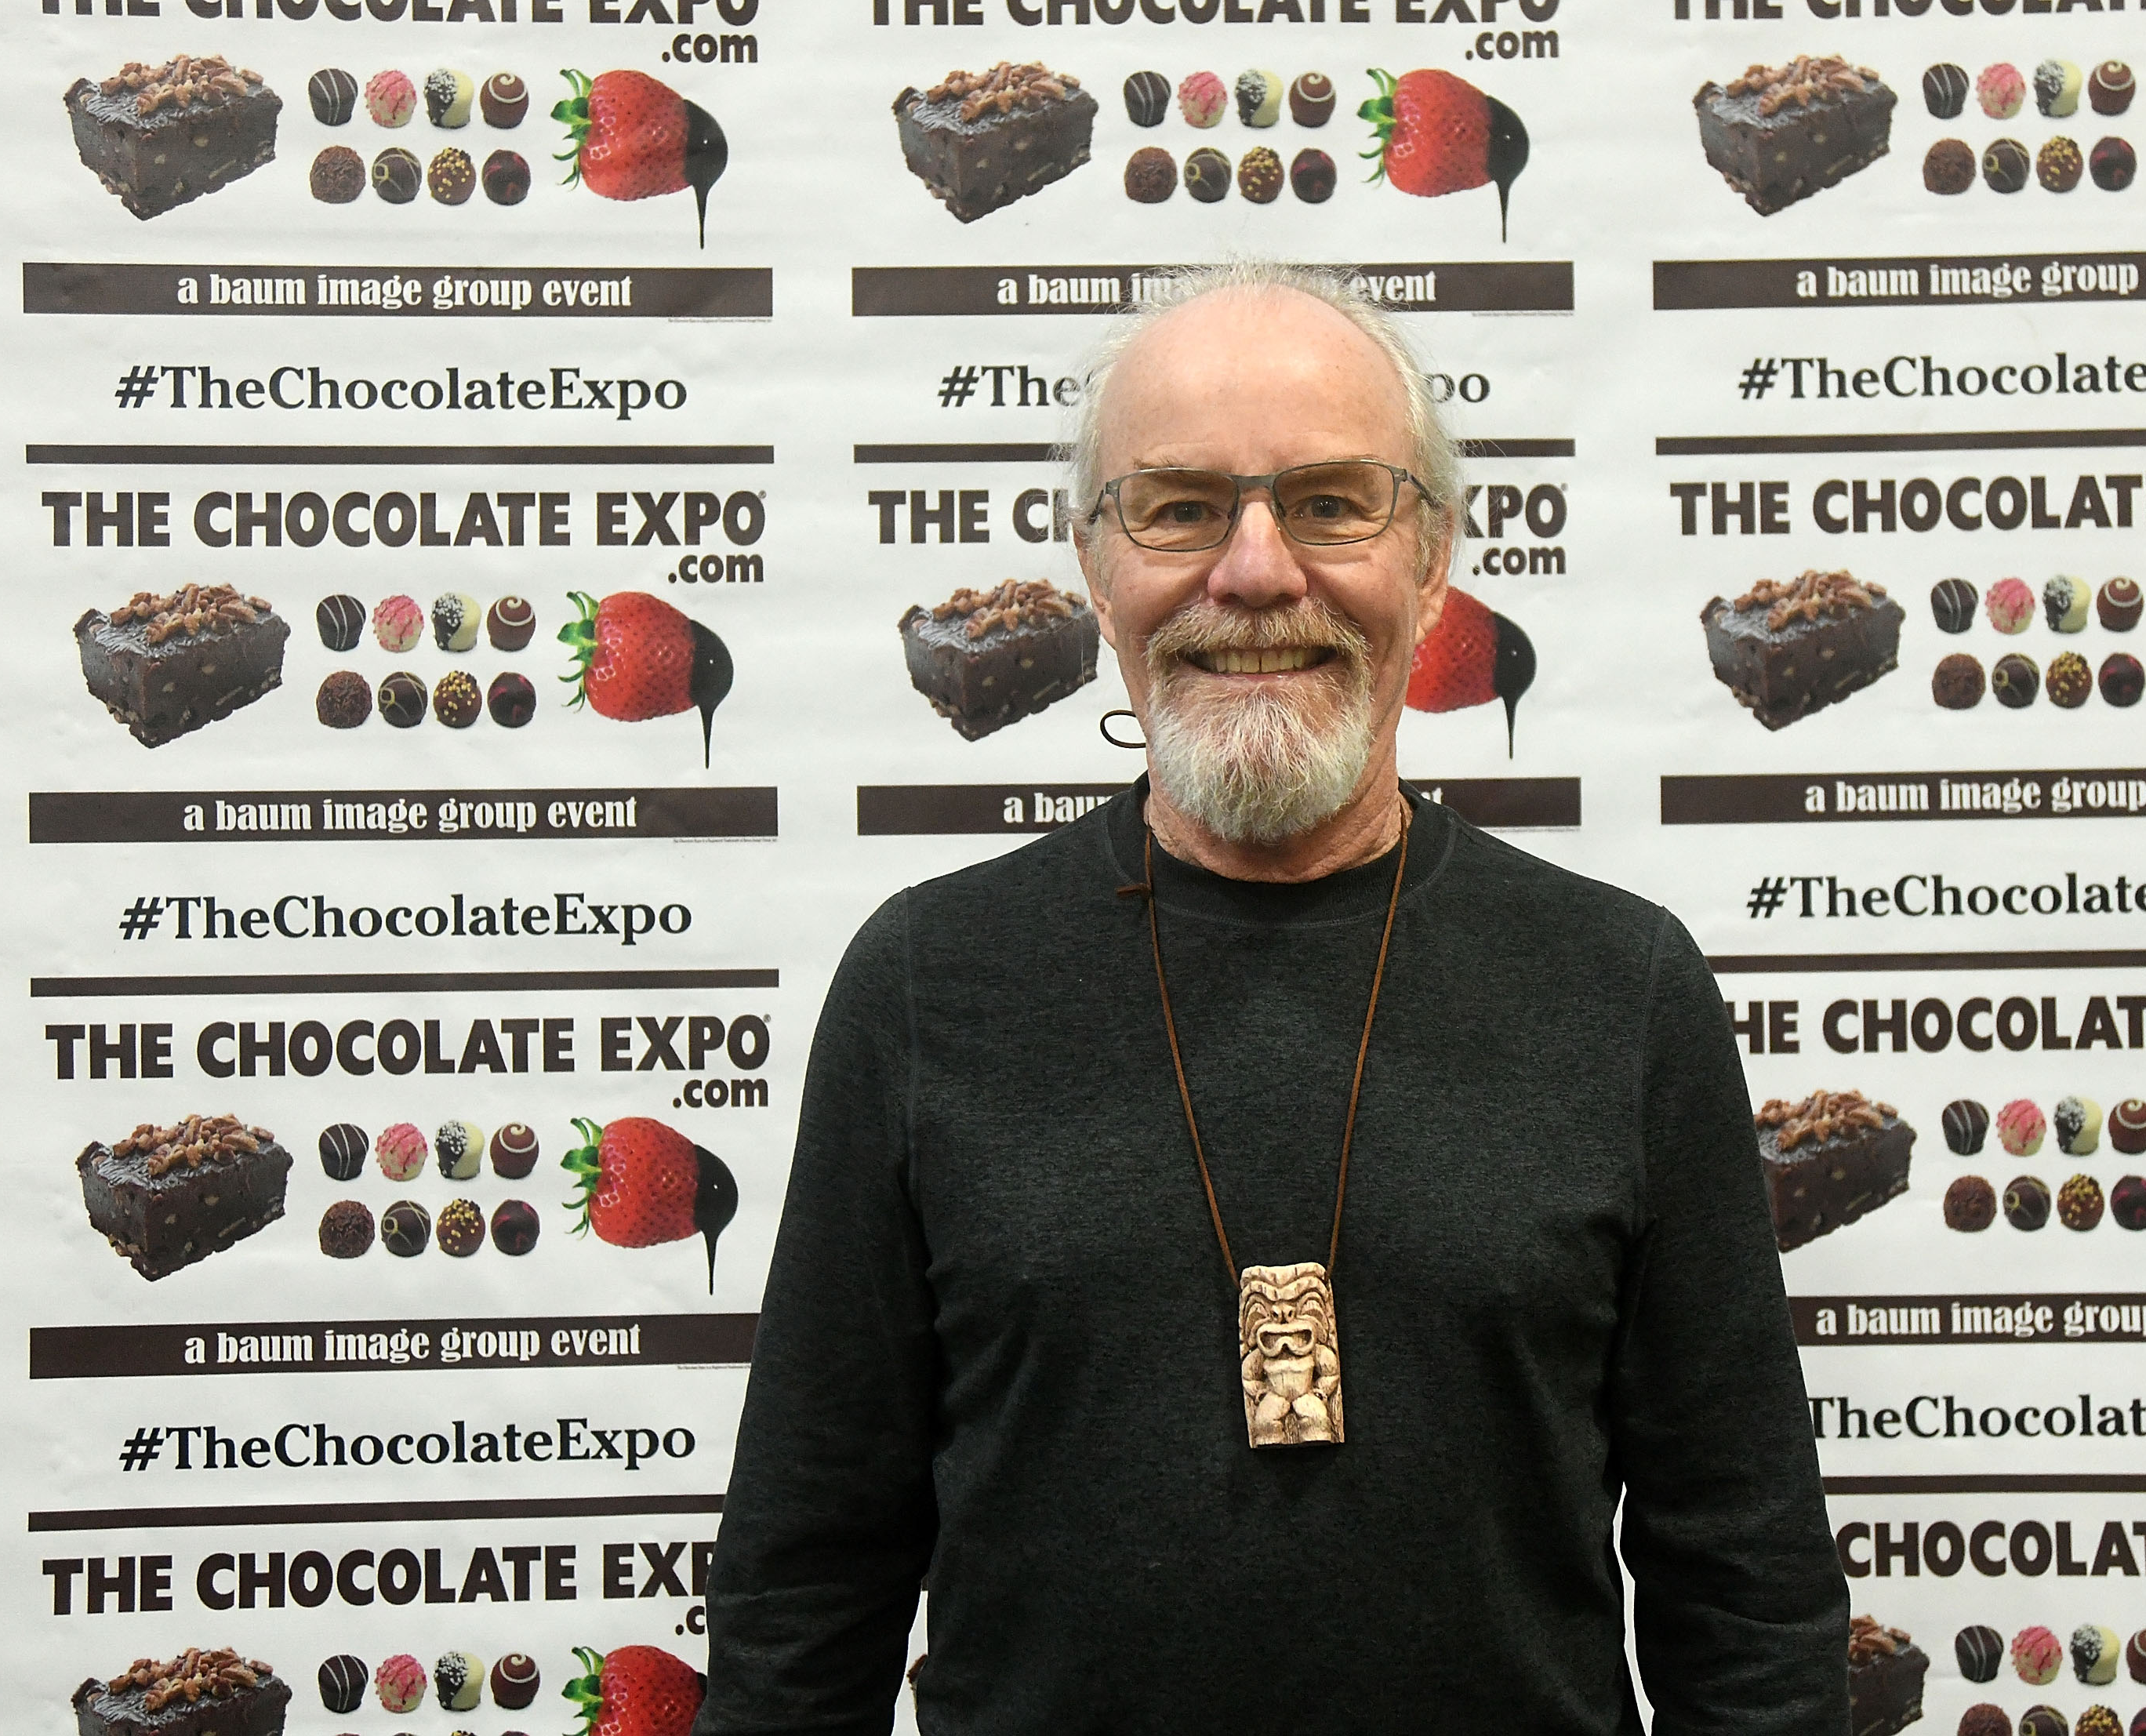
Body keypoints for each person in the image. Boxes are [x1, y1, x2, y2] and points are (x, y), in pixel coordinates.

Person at [699, 260, 1847, 1734]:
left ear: (1433, 558)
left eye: (1329, 502)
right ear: (1094, 564)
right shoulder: (926, 983)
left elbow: (1744, 1582)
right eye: (1179, 507)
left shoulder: (1622, 988)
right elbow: (806, 1583)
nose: (1255, 572)